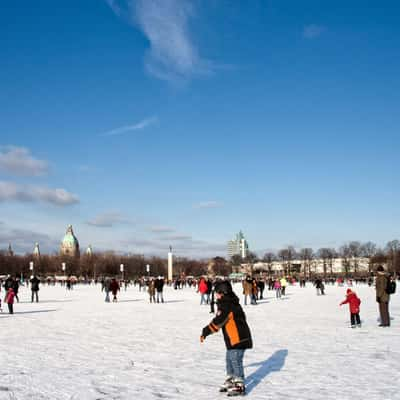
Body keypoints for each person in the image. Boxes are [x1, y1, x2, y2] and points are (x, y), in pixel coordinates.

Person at [200, 281, 252, 396]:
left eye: (217, 293)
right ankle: (231, 379)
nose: (216, 295)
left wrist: (206, 331)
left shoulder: (227, 305)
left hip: (238, 338)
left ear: (223, 293)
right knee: (229, 359)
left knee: (235, 360)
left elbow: (218, 322)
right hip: (234, 338)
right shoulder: (229, 303)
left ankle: (239, 384)